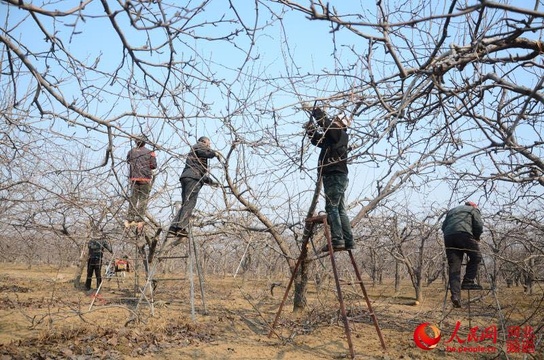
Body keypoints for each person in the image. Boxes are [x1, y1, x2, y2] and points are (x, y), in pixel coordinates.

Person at [305, 107, 355, 252]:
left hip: (334, 176)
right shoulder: (334, 138)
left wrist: (317, 113)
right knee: (340, 209)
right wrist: (310, 130)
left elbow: (326, 124)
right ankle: (348, 240)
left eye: (336, 120)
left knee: (332, 208)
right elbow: (318, 141)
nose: (333, 120)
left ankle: (337, 240)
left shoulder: (339, 133)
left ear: (340, 123)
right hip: (338, 176)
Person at [169, 136, 220, 237]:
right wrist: (214, 153)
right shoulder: (198, 146)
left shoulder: (196, 155)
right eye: (208, 144)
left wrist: (211, 182)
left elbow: (200, 172)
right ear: (203, 142)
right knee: (190, 203)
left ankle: (174, 227)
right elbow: (204, 153)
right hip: (192, 179)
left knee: (186, 204)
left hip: (188, 177)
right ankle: (180, 228)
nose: (209, 147)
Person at [442, 201, 484, 308]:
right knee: (476, 256)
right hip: (464, 234)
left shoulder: (451, 211)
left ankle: (455, 296)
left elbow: (443, 227)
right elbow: (478, 224)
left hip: (449, 237)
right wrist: (476, 237)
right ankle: (468, 281)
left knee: (454, 266)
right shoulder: (473, 210)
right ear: (473, 206)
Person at [126, 134, 157, 229]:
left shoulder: (131, 152)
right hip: (145, 178)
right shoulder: (150, 152)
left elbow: (128, 161)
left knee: (133, 198)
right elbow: (154, 165)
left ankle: (130, 217)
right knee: (143, 199)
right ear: (145, 142)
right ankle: (139, 218)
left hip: (134, 178)